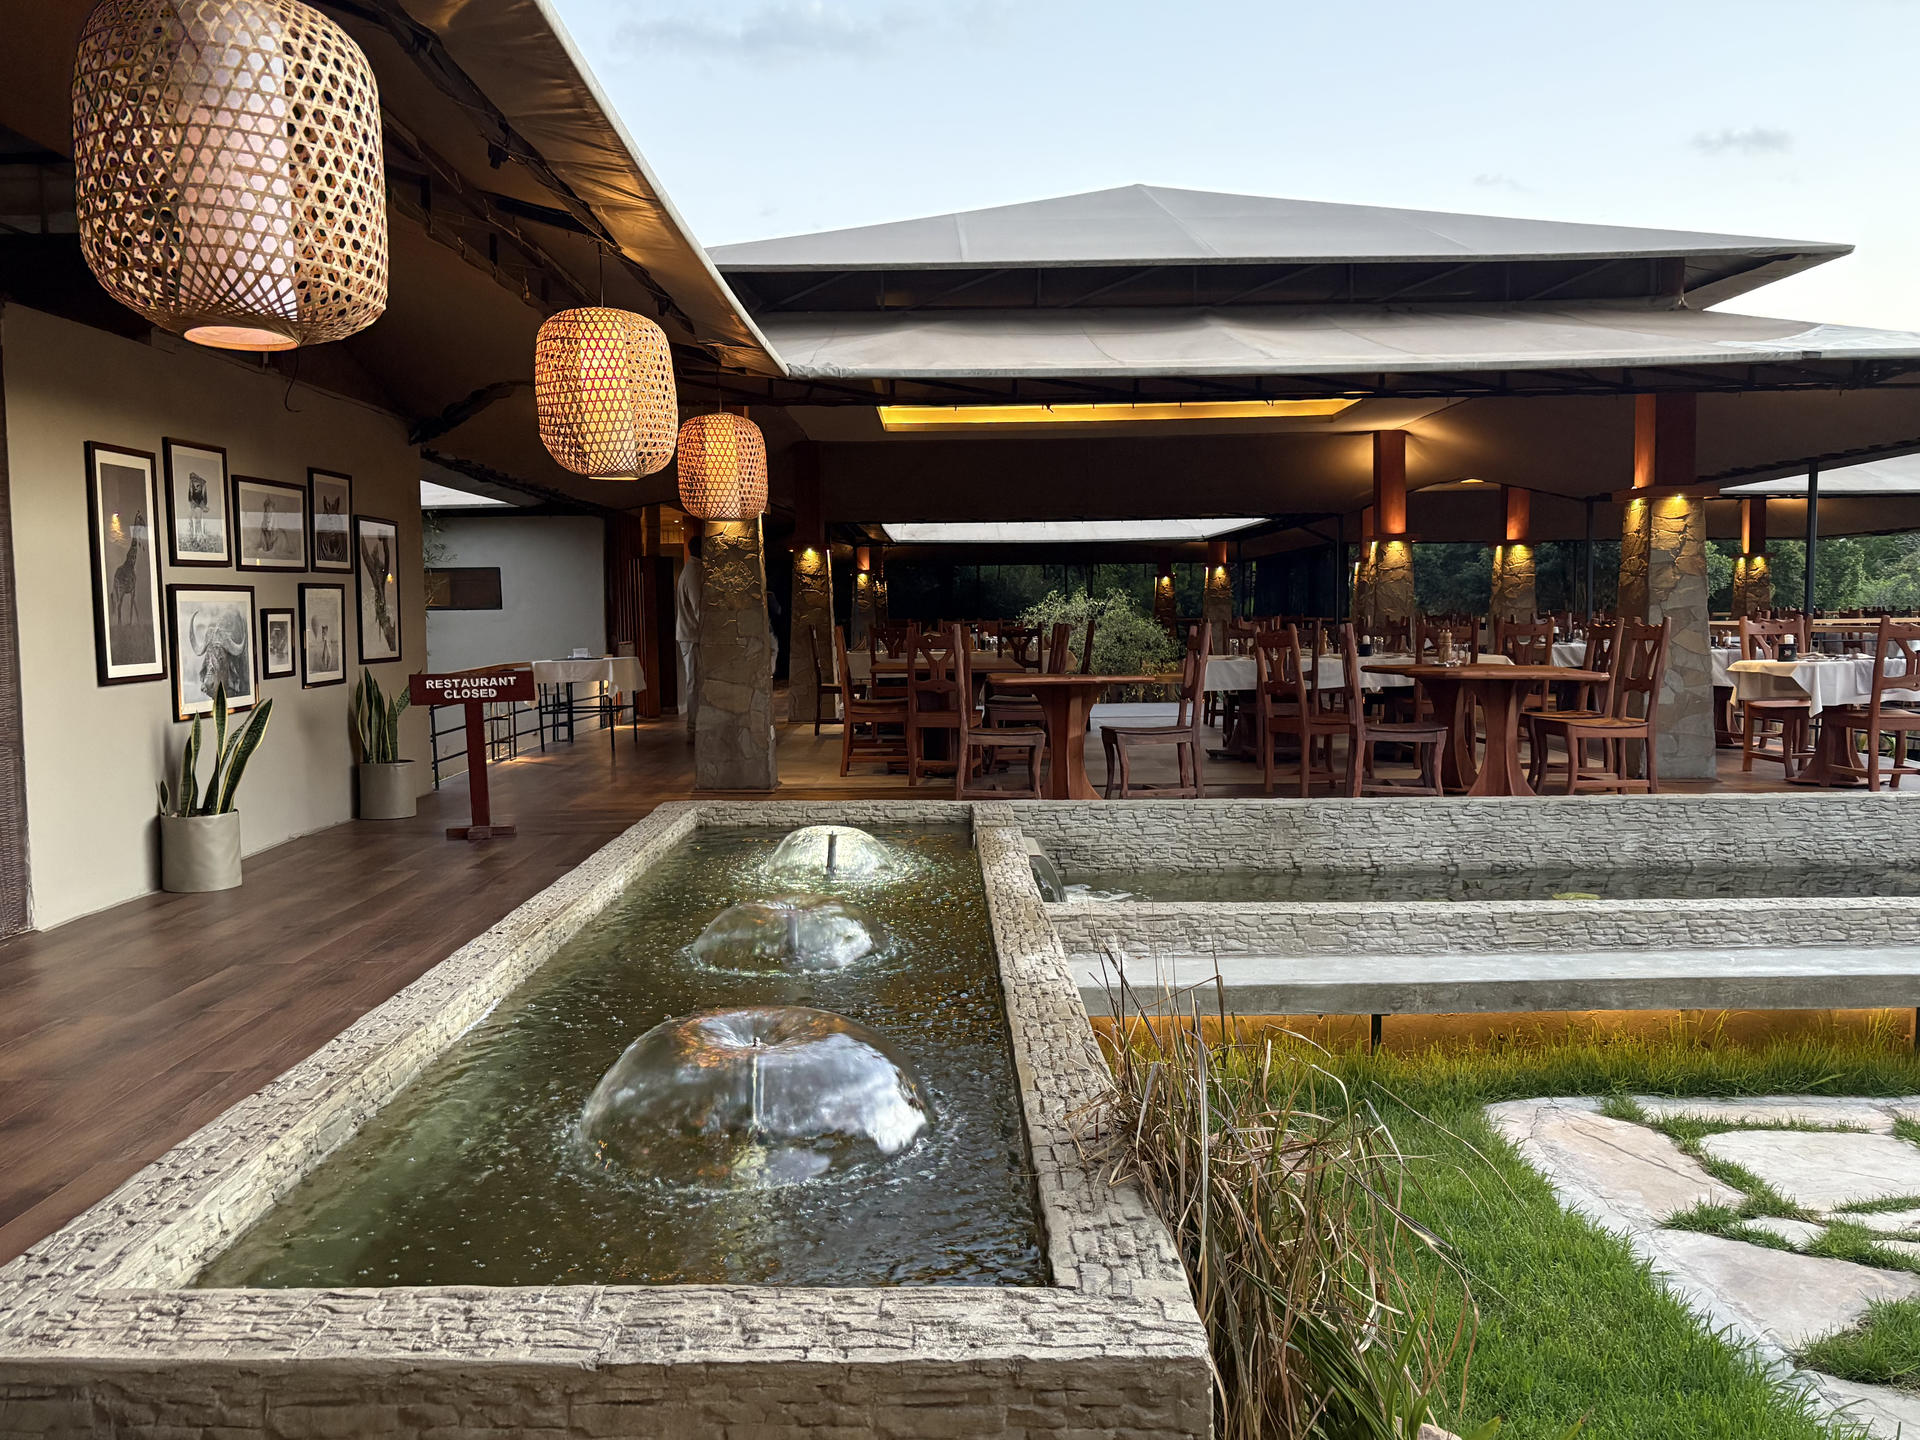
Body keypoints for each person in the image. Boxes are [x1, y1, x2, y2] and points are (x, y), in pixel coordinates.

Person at [676, 527, 703, 739]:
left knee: (696, 681)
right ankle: (693, 728)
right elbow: (698, 607)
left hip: (690, 635)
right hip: (692, 636)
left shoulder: (692, 569)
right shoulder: (693, 572)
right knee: (694, 682)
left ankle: (697, 726)